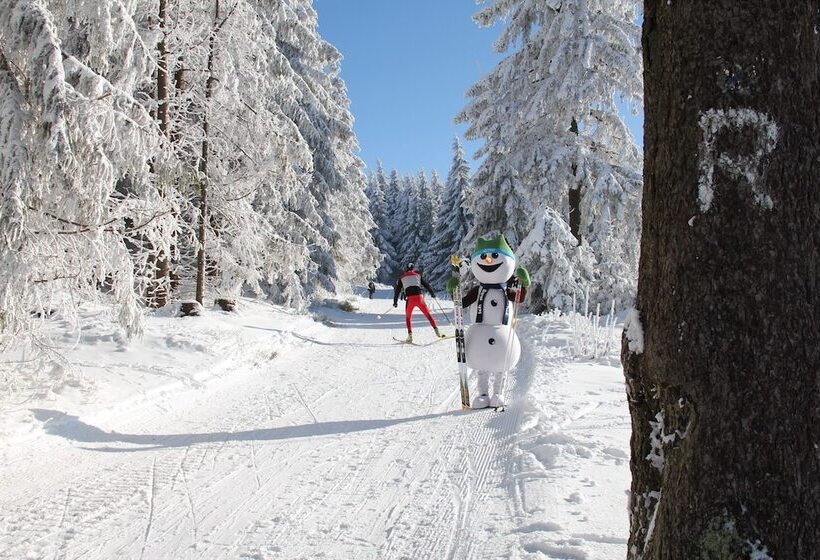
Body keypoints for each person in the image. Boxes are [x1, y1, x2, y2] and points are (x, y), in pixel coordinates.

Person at [393, 263, 445, 343]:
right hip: (419, 298)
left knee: (408, 318)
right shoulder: (418, 275)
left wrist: (395, 302)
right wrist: (432, 294)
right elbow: (427, 285)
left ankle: (410, 336)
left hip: (410, 300)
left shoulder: (402, 277)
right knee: (428, 315)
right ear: (413, 268)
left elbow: (397, 291)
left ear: (406, 268)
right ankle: (437, 331)